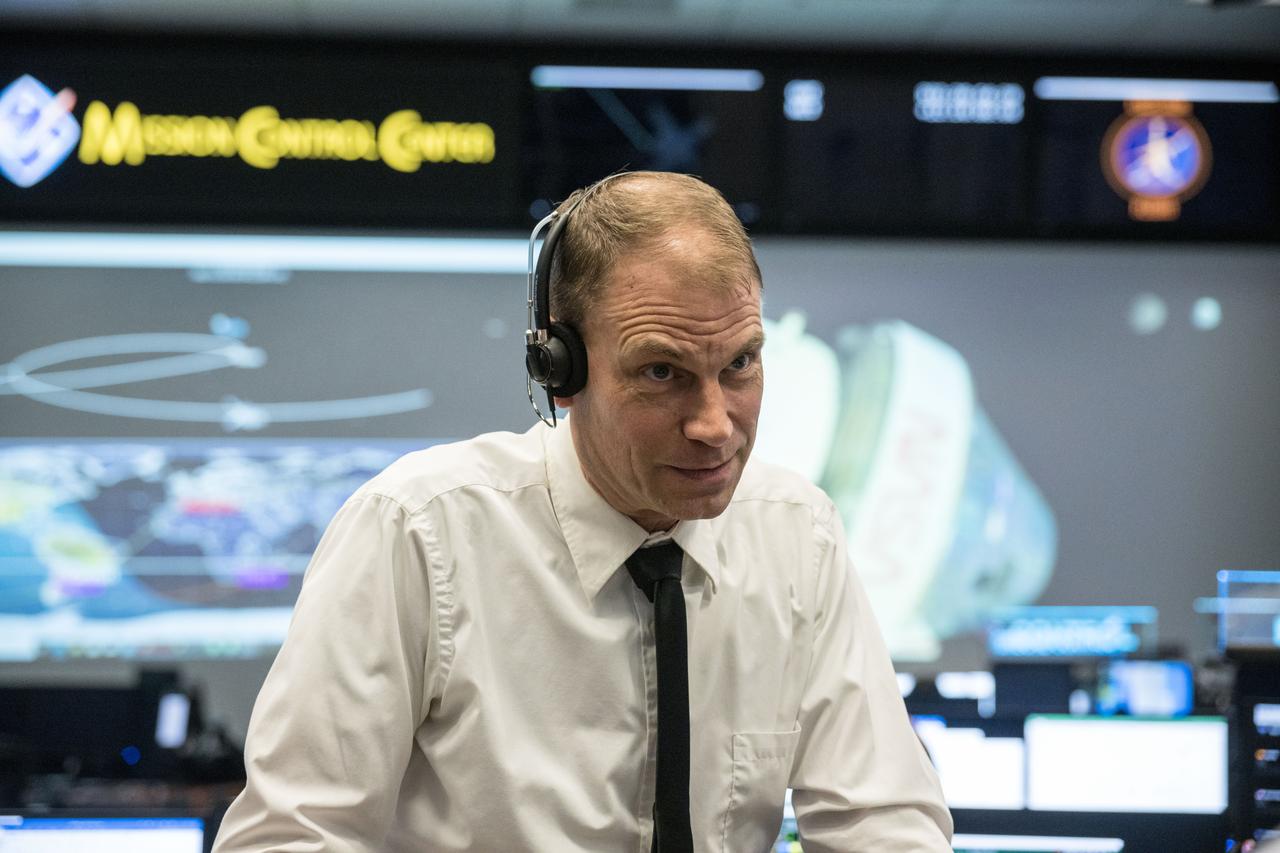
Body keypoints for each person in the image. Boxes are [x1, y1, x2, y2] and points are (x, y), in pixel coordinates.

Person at [212, 171, 952, 852]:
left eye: (740, 364)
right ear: (559, 370)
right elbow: (294, 835)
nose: (715, 424)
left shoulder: (797, 534)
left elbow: (882, 823)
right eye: (662, 372)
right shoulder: (416, 530)